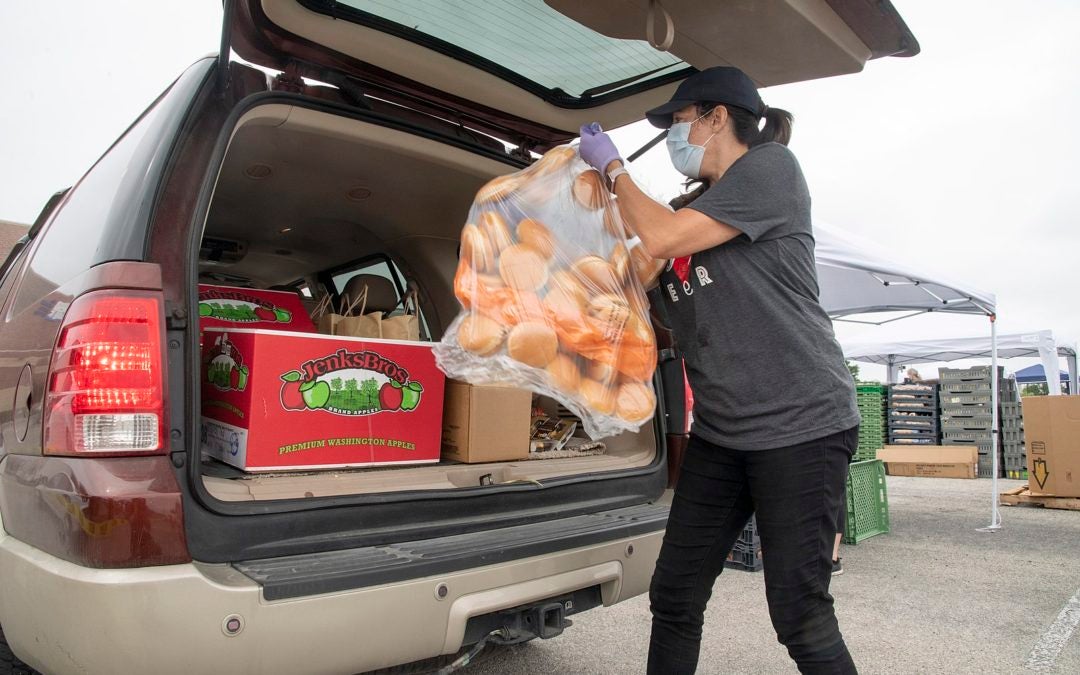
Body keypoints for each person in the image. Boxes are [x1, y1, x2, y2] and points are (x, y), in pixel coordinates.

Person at [578, 66, 861, 674]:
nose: (677, 135)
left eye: (679, 121)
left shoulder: (770, 171)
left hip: (801, 425)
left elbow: (662, 236)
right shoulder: (693, 209)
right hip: (723, 433)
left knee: (799, 614)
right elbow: (626, 288)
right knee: (674, 595)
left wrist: (615, 169)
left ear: (715, 117)